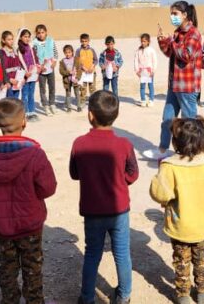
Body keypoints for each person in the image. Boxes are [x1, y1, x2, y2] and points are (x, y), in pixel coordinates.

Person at [0, 98, 57, 304]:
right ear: (24, 122)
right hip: (30, 225)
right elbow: (48, 188)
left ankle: (9, 300)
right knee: (32, 268)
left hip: (1, 227)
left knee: (7, 267)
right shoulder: (35, 154)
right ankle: (35, 300)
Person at [69, 91, 139, 304]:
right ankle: (124, 295)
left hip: (92, 210)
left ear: (90, 115)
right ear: (116, 115)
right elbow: (133, 174)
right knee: (122, 253)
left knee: (92, 254)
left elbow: (74, 174)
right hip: (119, 209)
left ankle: (88, 297)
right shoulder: (125, 144)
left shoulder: (79, 143)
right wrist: (120, 180)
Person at [150, 116, 204, 304]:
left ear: (175, 141)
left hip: (180, 226)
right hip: (203, 224)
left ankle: (183, 294)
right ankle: (203, 292)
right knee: (202, 259)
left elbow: (159, 194)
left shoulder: (170, 166)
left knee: (181, 261)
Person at [145, 0, 202, 160]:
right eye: (171, 14)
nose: (172, 17)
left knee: (189, 122)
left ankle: (192, 151)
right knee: (167, 119)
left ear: (185, 15)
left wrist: (171, 41)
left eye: (175, 14)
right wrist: (163, 40)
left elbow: (185, 55)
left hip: (187, 85)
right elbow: (171, 53)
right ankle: (162, 149)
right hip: (174, 85)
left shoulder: (193, 33)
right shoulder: (178, 33)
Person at [33, 24, 58, 116]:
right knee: (42, 89)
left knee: (52, 87)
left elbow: (55, 52)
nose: (41, 34)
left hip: (50, 68)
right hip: (41, 70)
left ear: (46, 32)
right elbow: (34, 56)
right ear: (36, 34)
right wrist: (39, 66)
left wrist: (54, 61)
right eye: (39, 33)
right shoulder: (34, 43)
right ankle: (45, 106)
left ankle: (52, 104)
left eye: (43, 32)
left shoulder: (50, 40)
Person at [16, 28, 41, 121]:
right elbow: (19, 62)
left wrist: (38, 68)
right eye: (25, 37)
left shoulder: (31, 47)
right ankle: (25, 112)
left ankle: (32, 111)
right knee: (25, 94)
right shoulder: (18, 49)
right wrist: (25, 72)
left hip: (33, 75)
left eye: (28, 37)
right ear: (20, 37)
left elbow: (36, 59)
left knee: (31, 94)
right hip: (25, 75)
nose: (27, 39)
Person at [134, 33, 158, 107]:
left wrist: (153, 71)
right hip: (142, 72)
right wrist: (137, 70)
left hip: (149, 71)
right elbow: (135, 60)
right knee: (142, 87)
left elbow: (155, 61)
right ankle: (143, 100)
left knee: (150, 86)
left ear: (148, 42)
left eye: (144, 41)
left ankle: (151, 100)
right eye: (142, 41)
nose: (143, 43)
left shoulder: (151, 50)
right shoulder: (138, 50)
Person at [75, 33, 98, 103]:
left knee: (92, 87)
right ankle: (82, 101)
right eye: (83, 41)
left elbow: (96, 60)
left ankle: (93, 101)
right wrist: (83, 68)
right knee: (83, 88)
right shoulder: (78, 50)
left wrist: (92, 67)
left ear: (88, 41)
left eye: (86, 41)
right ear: (80, 41)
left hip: (91, 72)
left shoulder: (92, 50)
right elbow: (77, 61)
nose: (84, 43)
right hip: (83, 73)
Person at [59, 44, 83, 112]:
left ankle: (79, 106)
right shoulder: (62, 61)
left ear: (72, 52)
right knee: (68, 94)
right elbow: (61, 71)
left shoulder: (76, 59)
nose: (68, 54)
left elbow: (79, 70)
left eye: (69, 52)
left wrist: (77, 78)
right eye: (66, 52)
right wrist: (68, 73)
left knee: (77, 93)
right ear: (64, 53)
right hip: (67, 81)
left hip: (75, 80)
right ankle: (69, 107)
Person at [1, 30, 23, 100]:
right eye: (9, 39)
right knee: (10, 101)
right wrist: (9, 79)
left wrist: (21, 78)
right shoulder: (2, 52)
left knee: (16, 101)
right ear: (3, 40)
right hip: (9, 81)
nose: (11, 41)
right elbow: (2, 69)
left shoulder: (15, 51)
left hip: (17, 80)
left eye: (12, 39)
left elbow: (18, 65)